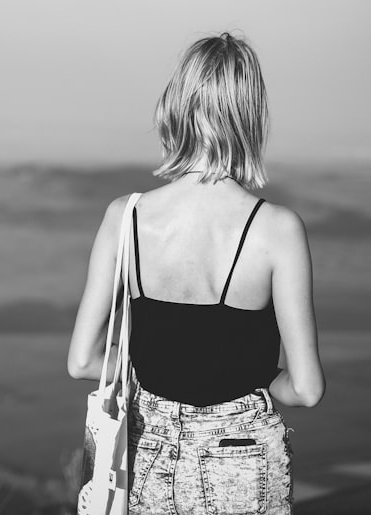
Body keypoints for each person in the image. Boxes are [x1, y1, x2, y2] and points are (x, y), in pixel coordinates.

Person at [67, 32, 324, 515]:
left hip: (146, 450)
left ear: (177, 108)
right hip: (242, 455)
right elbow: (306, 389)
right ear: (250, 116)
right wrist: (255, 383)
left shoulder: (125, 217)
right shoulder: (277, 229)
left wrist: (160, 358)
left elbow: (83, 362)